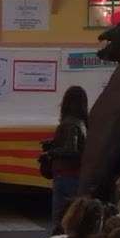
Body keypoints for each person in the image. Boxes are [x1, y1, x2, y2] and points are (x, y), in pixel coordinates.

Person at [43, 86, 90, 229]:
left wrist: (51, 152)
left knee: (59, 217)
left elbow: (71, 149)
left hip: (65, 174)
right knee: (72, 215)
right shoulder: (81, 123)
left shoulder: (69, 123)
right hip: (76, 174)